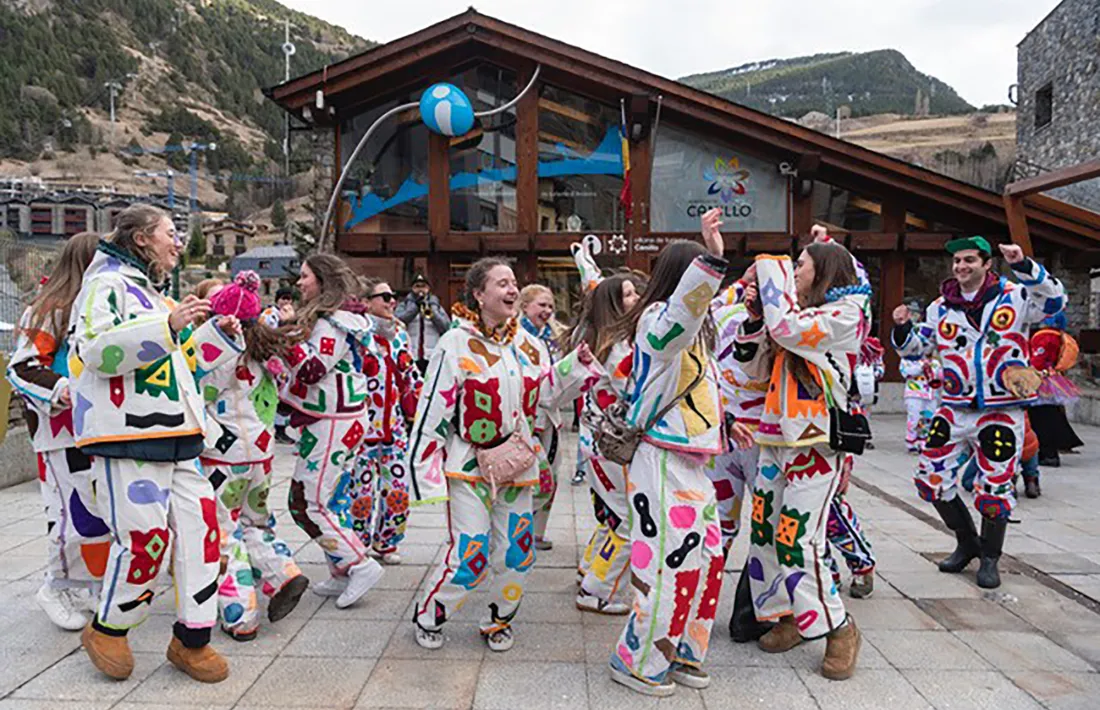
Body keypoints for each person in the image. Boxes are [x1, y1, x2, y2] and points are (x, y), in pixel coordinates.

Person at [70, 205, 244, 683]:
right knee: (144, 542)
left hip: (180, 437)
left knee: (202, 536)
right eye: (171, 233)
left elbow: (183, 366)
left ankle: (193, 640)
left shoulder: (156, 297)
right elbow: (95, 353)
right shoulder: (103, 286)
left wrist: (217, 335)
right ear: (143, 238)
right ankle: (108, 629)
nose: (177, 243)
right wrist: (169, 327)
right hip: (125, 437)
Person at [407, 257, 598, 652]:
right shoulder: (454, 344)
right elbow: (433, 410)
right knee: (470, 554)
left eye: (514, 282)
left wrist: (573, 367)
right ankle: (431, 614)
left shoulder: (528, 345)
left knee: (517, 554)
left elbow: (547, 394)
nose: (512, 290)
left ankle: (498, 620)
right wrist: (423, 473)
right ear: (478, 295)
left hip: (517, 464)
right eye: (501, 284)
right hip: (467, 466)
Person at [892, 236, 1066, 589]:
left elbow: (1053, 302)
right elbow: (917, 348)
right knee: (930, 479)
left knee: (995, 486)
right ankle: (966, 542)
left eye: (969, 260)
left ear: (987, 264)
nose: (961, 267)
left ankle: (990, 556)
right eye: (957, 261)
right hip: (954, 407)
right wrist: (901, 327)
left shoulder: (1015, 296)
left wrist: (1024, 265)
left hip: (1001, 410)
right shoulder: (940, 306)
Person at [735, 239, 870, 681]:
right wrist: (754, 317)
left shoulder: (847, 312)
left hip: (816, 445)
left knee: (798, 538)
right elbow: (752, 368)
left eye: (800, 264)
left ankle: (838, 627)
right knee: (763, 532)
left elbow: (790, 328)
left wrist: (769, 270)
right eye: (790, 265)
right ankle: (788, 613)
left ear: (825, 271)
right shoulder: (791, 315)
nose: (793, 271)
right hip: (775, 438)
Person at [605, 210, 728, 697]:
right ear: (684, 276)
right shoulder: (659, 321)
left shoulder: (700, 332)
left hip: (695, 464)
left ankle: (683, 650)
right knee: (666, 565)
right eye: (700, 272)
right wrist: (713, 260)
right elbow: (681, 316)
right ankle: (637, 659)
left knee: (709, 560)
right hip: (660, 461)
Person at [198, 271, 310, 641]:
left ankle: (240, 613)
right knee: (256, 522)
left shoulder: (217, 356)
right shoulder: (265, 354)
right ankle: (284, 573)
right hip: (261, 454)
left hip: (222, 457)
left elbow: (198, 397)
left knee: (224, 533)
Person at [7, 232, 108, 632]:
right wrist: (63, 390)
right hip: (61, 434)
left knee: (97, 516)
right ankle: (54, 586)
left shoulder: (99, 307)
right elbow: (21, 368)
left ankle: (89, 583)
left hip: (99, 432)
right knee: (70, 516)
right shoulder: (48, 309)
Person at [283, 254, 385, 608]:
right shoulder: (337, 321)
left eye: (305, 277)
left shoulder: (334, 324)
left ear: (323, 281)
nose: (299, 283)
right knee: (308, 501)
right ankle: (341, 569)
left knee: (310, 503)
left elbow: (311, 370)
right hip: (330, 420)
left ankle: (360, 563)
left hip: (334, 422)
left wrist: (284, 336)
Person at [569, 240, 646, 616]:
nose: (636, 298)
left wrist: (584, 261)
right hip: (611, 447)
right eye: (629, 294)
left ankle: (591, 570)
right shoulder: (619, 350)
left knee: (614, 515)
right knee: (629, 520)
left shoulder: (603, 336)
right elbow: (638, 396)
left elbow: (594, 287)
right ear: (615, 305)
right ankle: (595, 589)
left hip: (598, 444)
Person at [340, 278, 422, 565]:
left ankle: (387, 542)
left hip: (393, 426)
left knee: (398, 488)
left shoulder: (400, 333)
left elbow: (410, 373)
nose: (391, 302)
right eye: (384, 297)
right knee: (361, 494)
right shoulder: (355, 333)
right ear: (367, 301)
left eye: (393, 296)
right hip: (361, 427)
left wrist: (425, 406)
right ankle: (358, 544)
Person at [519, 283, 565, 551]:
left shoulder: (555, 336)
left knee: (554, 473)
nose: (547, 310)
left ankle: (537, 531)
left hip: (551, 415)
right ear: (525, 307)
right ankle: (518, 530)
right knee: (532, 476)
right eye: (541, 305)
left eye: (550, 305)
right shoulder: (516, 336)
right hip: (527, 416)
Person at [1027, 313, 1083, 470]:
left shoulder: (1044, 335)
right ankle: (1050, 451)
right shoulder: (1058, 335)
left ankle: (1048, 453)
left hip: (1040, 379)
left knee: (1041, 417)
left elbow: (1038, 359)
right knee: (1049, 415)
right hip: (1050, 378)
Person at [898, 302, 942, 453]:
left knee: (928, 418)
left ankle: (924, 439)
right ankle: (911, 440)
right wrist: (920, 367)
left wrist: (934, 369)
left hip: (930, 394)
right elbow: (905, 372)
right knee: (914, 417)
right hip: (914, 392)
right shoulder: (908, 358)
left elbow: (940, 376)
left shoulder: (935, 360)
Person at [263, 288, 298, 445]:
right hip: (273, 359)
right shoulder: (270, 314)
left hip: (285, 360)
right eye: (283, 298)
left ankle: (281, 428)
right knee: (276, 394)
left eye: (289, 299)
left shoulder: (291, 314)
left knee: (284, 395)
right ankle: (276, 429)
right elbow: (266, 334)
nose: (286, 302)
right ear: (277, 300)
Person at [396, 274, 449, 374]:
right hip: (411, 354)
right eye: (417, 286)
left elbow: (446, 327)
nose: (420, 289)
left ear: (428, 288)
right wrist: (414, 309)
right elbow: (398, 322)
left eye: (423, 286)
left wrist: (433, 313)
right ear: (412, 288)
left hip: (431, 355)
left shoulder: (436, 306)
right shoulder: (404, 305)